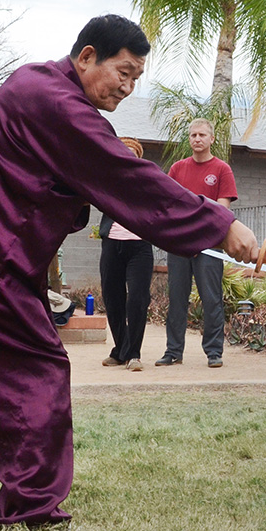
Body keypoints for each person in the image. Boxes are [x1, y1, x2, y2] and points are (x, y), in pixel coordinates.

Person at [0, 15, 258, 526]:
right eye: (122, 73)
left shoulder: (33, 84)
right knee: (37, 370)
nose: (127, 88)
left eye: (136, 79)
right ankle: (33, 507)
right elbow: (128, 177)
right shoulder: (59, 105)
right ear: (86, 56)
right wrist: (219, 223)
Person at [156, 119, 238, 369]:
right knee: (177, 298)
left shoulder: (222, 169)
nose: (197, 139)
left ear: (211, 139)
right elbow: (168, 203)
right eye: (193, 135)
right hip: (180, 245)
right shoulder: (178, 169)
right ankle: (173, 352)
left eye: (202, 134)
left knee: (211, 298)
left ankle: (214, 352)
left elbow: (222, 209)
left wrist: (194, 218)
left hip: (210, 246)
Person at [99, 137, 154, 372]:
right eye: (123, 152)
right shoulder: (107, 181)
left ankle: (134, 354)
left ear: (138, 158)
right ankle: (120, 350)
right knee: (113, 299)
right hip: (112, 244)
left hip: (139, 247)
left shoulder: (148, 182)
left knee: (137, 300)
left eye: (132, 153)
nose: (127, 156)